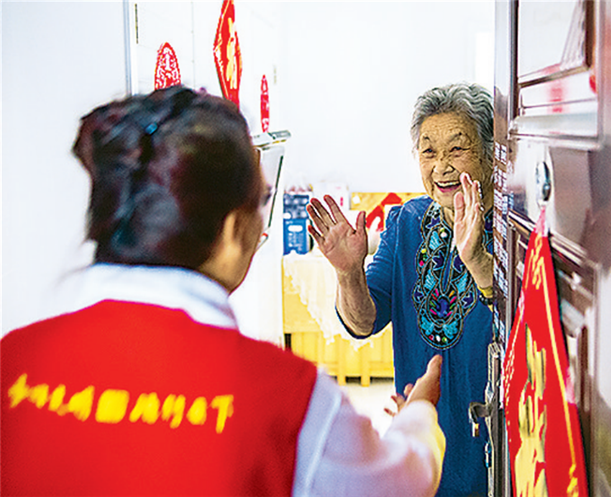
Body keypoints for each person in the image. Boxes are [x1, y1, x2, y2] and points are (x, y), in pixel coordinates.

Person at [0, 86, 446, 497]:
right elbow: (402, 482)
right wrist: (420, 415)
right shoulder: (289, 398)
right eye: (260, 204)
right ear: (235, 230)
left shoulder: (13, 357)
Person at [307, 83, 494, 496]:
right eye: (428, 151)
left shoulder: (513, 228)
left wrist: (478, 260)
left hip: (495, 444)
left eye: (456, 149)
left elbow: (523, 323)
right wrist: (348, 272)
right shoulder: (407, 222)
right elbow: (362, 322)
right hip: (422, 433)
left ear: (489, 153)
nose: (441, 166)